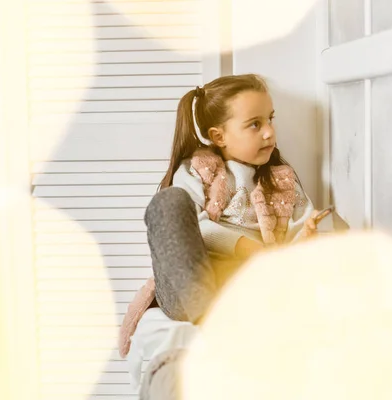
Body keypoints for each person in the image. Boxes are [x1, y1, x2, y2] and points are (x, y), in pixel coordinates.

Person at [119, 74, 318, 356]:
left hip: (251, 284)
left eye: (270, 119)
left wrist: (307, 238)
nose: (269, 132)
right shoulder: (197, 169)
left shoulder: (283, 181)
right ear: (218, 136)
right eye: (254, 124)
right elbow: (195, 227)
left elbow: (300, 237)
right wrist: (249, 247)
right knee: (170, 202)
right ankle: (208, 316)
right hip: (189, 286)